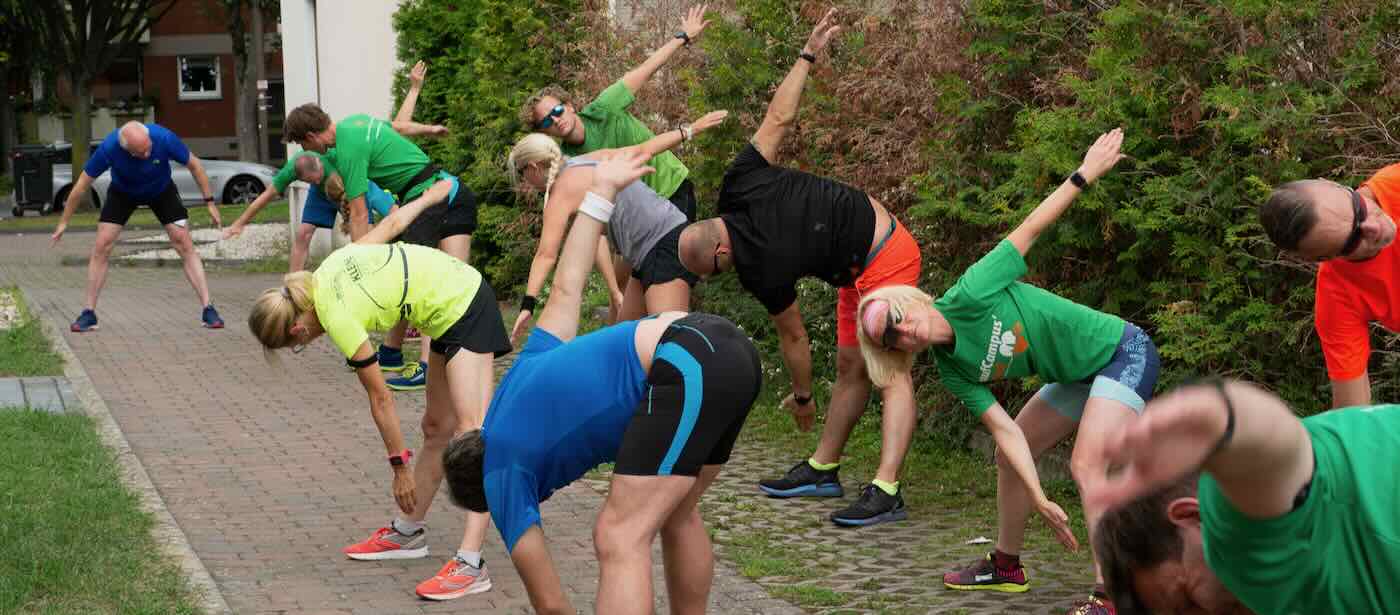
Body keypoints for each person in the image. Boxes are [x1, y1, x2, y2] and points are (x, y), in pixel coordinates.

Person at [442, 151, 762, 615]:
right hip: (729, 348)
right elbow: (567, 288)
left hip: (687, 361)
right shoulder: (520, 381)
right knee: (676, 513)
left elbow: (551, 605)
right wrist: (601, 195)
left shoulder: (501, 478)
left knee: (618, 534)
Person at [856, 130, 1153, 614]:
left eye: (896, 318)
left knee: (1085, 463)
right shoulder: (954, 370)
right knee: (1006, 456)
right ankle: (1007, 564)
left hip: (1124, 352)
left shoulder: (972, 293)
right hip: (1078, 376)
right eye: (888, 338)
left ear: (908, 302)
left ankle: (1112, 598)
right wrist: (1039, 497)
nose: (901, 332)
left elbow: (1031, 228)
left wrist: (1085, 172)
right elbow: (1009, 432)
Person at [673, 9, 924, 527]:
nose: (718, 277)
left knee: (890, 374)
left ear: (721, 256)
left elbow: (793, 340)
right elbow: (778, 120)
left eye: (713, 273)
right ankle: (823, 468)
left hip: (886, 254)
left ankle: (887, 488)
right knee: (853, 366)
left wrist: (803, 397)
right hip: (855, 269)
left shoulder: (756, 269)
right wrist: (806, 54)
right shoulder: (737, 183)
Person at [246, 182, 512, 602]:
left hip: (464, 302)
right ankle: (409, 532)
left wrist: (399, 466)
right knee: (436, 427)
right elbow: (392, 223)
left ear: (297, 328)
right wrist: (429, 198)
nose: (304, 345)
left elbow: (381, 397)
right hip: (442, 306)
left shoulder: (336, 317)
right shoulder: (327, 270)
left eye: (296, 345)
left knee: (471, 435)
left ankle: (471, 562)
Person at [1087, 380, 1400, 615]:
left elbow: (1274, 447)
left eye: (1190, 604)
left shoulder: (1253, 527)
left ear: (1195, 518)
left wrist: (1226, 420)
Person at [284, 65, 470, 392]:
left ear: (311, 137)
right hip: (439, 190)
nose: (304, 151)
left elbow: (358, 213)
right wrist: (429, 129)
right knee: (410, 277)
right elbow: (396, 127)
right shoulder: (355, 122)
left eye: (301, 143)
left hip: (428, 195)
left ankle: (428, 367)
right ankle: (392, 352)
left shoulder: (346, 149)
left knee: (423, 280)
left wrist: (359, 264)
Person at [505, 108, 728, 342]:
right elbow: (645, 149)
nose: (525, 182)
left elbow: (545, 255)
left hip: (664, 247)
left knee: (672, 345)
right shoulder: (589, 159)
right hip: (656, 243)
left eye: (522, 174)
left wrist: (527, 305)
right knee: (622, 341)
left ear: (532, 167)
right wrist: (691, 129)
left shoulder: (560, 195)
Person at [519, 4, 710, 222]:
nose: (555, 119)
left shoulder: (604, 106)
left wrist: (683, 36)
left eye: (558, 110)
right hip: (637, 214)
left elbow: (647, 68)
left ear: (569, 105)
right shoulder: (570, 160)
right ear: (544, 132)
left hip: (670, 189)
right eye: (546, 121)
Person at [50, 121, 225, 332]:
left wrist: (209, 202)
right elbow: (81, 185)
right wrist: (63, 222)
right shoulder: (109, 148)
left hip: (161, 190)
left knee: (183, 242)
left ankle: (208, 308)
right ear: (127, 150)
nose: (147, 153)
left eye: (149, 148)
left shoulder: (164, 138)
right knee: (102, 245)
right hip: (123, 192)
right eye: (141, 153)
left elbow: (195, 165)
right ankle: (89, 313)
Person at [1258, 164, 1400, 409]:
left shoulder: (1395, 184)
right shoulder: (1337, 297)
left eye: (1359, 208)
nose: (1374, 228)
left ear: (1332, 183)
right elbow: (1353, 413)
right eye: (1352, 241)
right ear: (1320, 258)